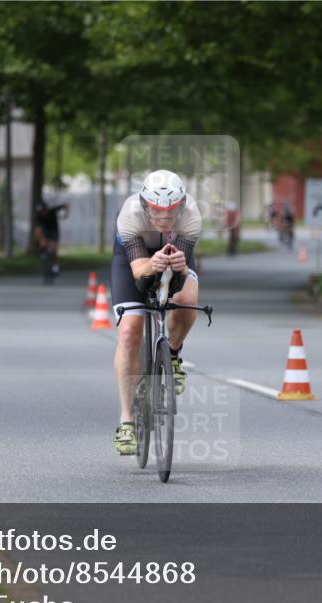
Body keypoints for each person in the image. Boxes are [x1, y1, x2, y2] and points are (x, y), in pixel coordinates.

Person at [111, 169, 202, 455]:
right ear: (145, 204)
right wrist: (154, 263)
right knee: (129, 332)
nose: (164, 217)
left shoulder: (192, 216)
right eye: (158, 211)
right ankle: (127, 420)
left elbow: (182, 272)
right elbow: (139, 272)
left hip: (173, 255)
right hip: (133, 262)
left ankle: (172, 354)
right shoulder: (130, 214)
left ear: (182, 205)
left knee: (187, 301)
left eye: (171, 210)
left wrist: (178, 265)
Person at [34, 198, 69, 276]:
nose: (42, 213)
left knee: (54, 249)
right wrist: (38, 238)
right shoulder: (39, 216)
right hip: (46, 231)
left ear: (46, 209)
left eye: (43, 211)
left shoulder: (52, 211)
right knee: (42, 240)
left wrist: (66, 212)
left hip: (54, 231)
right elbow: (38, 228)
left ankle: (55, 266)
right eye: (40, 212)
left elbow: (64, 206)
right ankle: (44, 253)